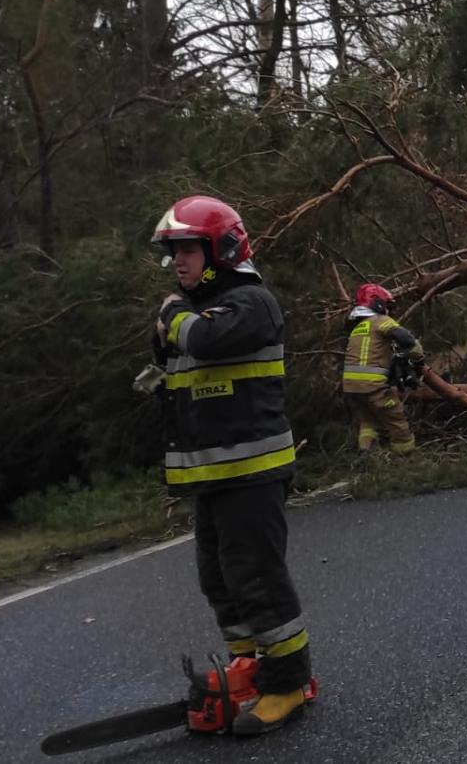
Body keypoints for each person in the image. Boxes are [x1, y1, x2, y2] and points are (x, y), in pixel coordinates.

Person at [150, 195, 311, 735]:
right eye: (174, 252)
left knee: (258, 579)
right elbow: (170, 350)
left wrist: (172, 314)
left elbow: (201, 337)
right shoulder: (202, 308)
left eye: (189, 249)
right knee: (218, 579)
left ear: (221, 248)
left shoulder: (252, 302)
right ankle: (250, 662)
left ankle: (289, 680)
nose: (178, 262)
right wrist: (173, 322)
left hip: (253, 473)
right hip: (214, 477)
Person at [342, 284, 425, 453]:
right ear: (377, 304)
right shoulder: (381, 321)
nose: (389, 309)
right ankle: (406, 455)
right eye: (387, 305)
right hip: (373, 386)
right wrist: (418, 359)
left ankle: (366, 455)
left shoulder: (358, 328)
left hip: (351, 388)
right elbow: (406, 339)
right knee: (396, 418)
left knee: (368, 420)